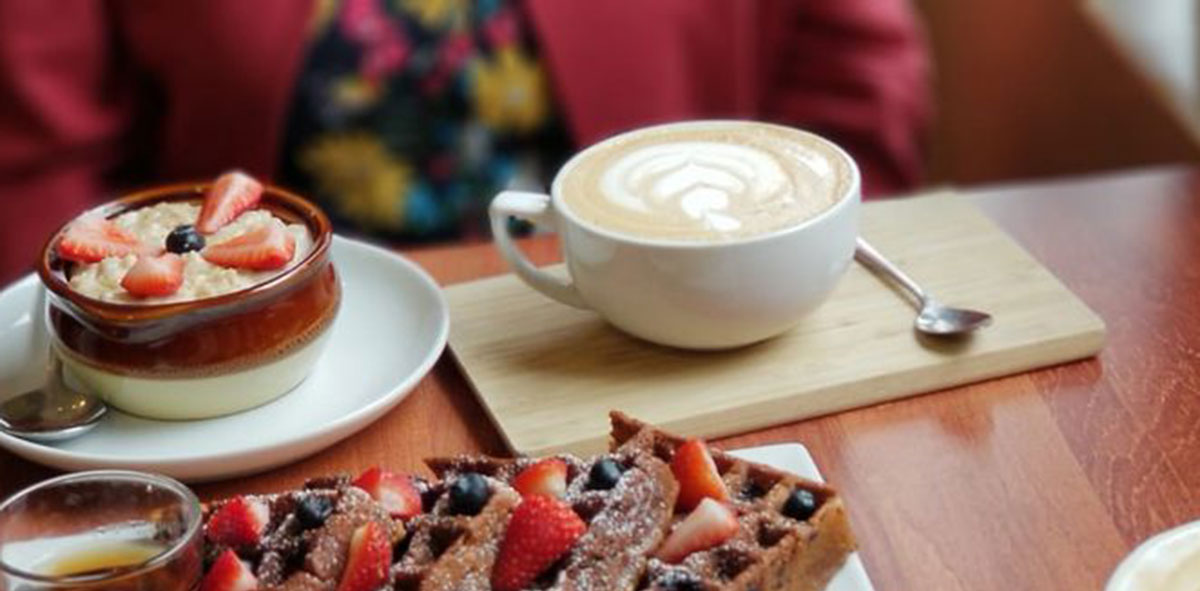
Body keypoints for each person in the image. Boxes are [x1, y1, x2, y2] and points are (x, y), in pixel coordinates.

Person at [0, 0, 930, 284]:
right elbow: (35, 161)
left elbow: (849, 72)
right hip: (252, 379)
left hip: (663, 320)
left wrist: (789, 281)